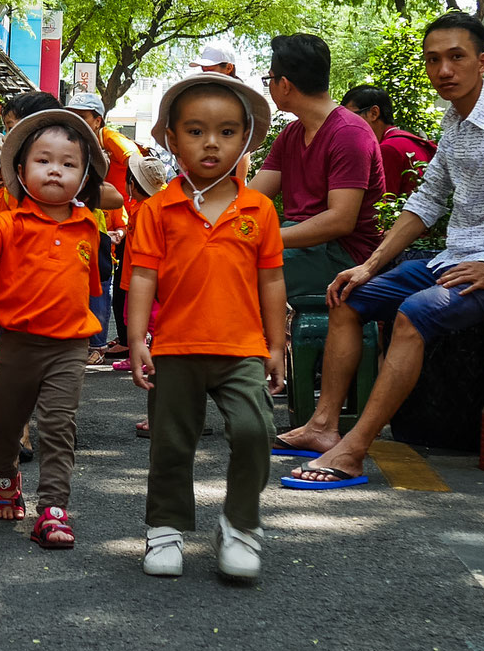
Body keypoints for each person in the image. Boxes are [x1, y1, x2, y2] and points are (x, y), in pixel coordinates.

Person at [284, 12, 484, 485]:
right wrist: (368, 265)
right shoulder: (457, 122)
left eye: (456, 57)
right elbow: (426, 202)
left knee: (413, 314)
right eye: (433, 60)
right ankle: (323, 429)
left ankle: (352, 451)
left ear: (482, 62)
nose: (444, 69)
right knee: (345, 297)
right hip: (452, 260)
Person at [127, 74, 286, 581]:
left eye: (226, 131)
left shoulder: (259, 209)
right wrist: (135, 340)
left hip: (242, 348)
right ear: (171, 139)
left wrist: (276, 345)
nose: (211, 142)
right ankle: (164, 530)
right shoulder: (157, 209)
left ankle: (240, 526)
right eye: (195, 131)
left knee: (254, 430)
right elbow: (143, 277)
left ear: (245, 139)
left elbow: (272, 280)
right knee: (172, 443)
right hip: (175, 347)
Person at [0, 109, 108, 550]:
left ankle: (53, 509)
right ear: (21, 172)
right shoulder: (12, 221)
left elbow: (87, 289)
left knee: (59, 425)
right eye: (44, 160)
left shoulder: (88, 227)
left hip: (70, 346)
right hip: (19, 344)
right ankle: (6, 477)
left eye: (69, 163)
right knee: (6, 423)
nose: (56, 169)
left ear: (83, 177)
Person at [253, 34, 388, 455]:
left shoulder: (350, 133)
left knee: (233, 273)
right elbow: (253, 200)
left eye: (268, 79)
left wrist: (261, 240)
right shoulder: (292, 135)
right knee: (213, 262)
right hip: (302, 245)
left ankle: (235, 397)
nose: (269, 86)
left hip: (345, 256)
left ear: (285, 84)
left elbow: (340, 219)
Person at [67, 91, 144, 364]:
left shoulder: (111, 140)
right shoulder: (71, 140)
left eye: (82, 116)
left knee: (101, 281)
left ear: (97, 120)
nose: (76, 119)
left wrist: (134, 191)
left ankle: (98, 343)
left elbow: (136, 159)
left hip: (110, 215)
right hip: (88, 213)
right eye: (73, 114)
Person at [340, 85, 436, 198]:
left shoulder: (388, 149)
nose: (345, 124)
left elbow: (384, 205)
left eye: (350, 116)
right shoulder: (406, 140)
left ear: (374, 113)